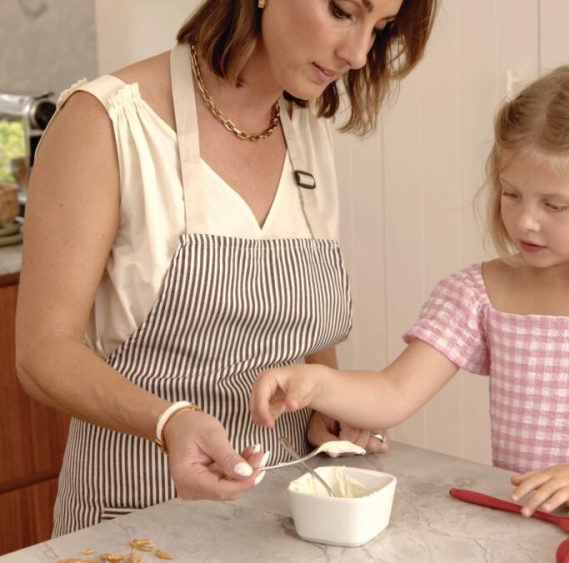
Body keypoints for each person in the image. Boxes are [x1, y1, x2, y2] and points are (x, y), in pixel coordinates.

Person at [15, 0, 436, 535]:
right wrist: (168, 422)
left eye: (379, 29)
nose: (357, 54)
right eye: (341, 10)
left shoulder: (305, 127)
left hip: (280, 521)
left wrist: (325, 403)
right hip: (135, 522)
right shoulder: (109, 122)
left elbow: (303, 327)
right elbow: (42, 353)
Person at [251, 60, 569, 518]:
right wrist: (316, 384)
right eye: (512, 193)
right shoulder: (479, 293)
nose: (525, 219)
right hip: (529, 534)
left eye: (555, 204)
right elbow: (393, 392)